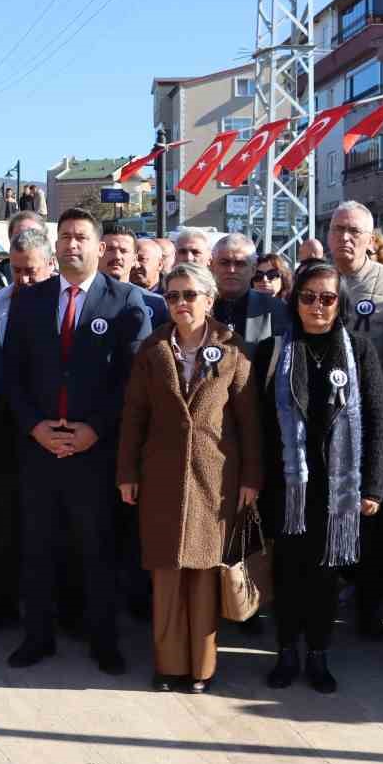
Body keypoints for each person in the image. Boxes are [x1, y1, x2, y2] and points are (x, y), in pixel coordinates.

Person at [2, 207, 151, 670]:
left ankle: (104, 640)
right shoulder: (30, 300)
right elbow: (11, 375)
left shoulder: (126, 301)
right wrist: (34, 426)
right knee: (38, 546)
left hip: (95, 450)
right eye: (64, 236)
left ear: (100, 247)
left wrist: (95, 429)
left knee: (97, 549)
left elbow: (134, 381)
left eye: (81, 237)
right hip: (40, 448)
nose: (72, 244)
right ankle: (38, 636)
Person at [117, 261, 262, 693]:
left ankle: (201, 669)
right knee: (165, 575)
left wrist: (252, 479)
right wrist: (127, 472)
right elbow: (134, 417)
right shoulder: (153, 348)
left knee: (202, 577)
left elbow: (249, 422)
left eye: (189, 295)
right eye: (173, 296)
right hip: (161, 474)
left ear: (209, 299)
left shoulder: (232, 348)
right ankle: (168, 666)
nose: (180, 303)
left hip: (215, 478)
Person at [254, 259, 383, 693]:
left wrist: (372, 486)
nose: (317, 306)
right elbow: (256, 423)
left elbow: (375, 418)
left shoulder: (359, 351)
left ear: (339, 303)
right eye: (308, 297)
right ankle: (286, 652)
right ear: (295, 302)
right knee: (287, 575)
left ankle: (318, 653)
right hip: (286, 487)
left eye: (327, 298)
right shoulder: (273, 350)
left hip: (337, 489)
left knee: (325, 577)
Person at [328, 201, 383, 636]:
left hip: (378, 421)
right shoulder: (316, 280)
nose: (345, 237)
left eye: (354, 231)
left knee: (378, 516)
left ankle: (372, 600)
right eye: (338, 228)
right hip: (326, 422)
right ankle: (336, 589)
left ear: (370, 238)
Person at [0, 216, 56, 637]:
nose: (25, 278)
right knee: (3, 522)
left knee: (47, 525)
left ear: (50, 265)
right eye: (19, 270)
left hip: (48, 428)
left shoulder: (61, 304)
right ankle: (4, 601)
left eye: (33, 270)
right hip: (2, 431)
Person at [210, 233, 291, 346]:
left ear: (253, 270)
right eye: (224, 263)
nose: (232, 270)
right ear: (212, 266)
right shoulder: (197, 305)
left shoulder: (275, 309)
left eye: (240, 264)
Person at [101, 223, 168, 329]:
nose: (117, 256)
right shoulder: (79, 296)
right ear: (98, 252)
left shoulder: (155, 303)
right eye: (110, 249)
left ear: (134, 259)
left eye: (124, 251)